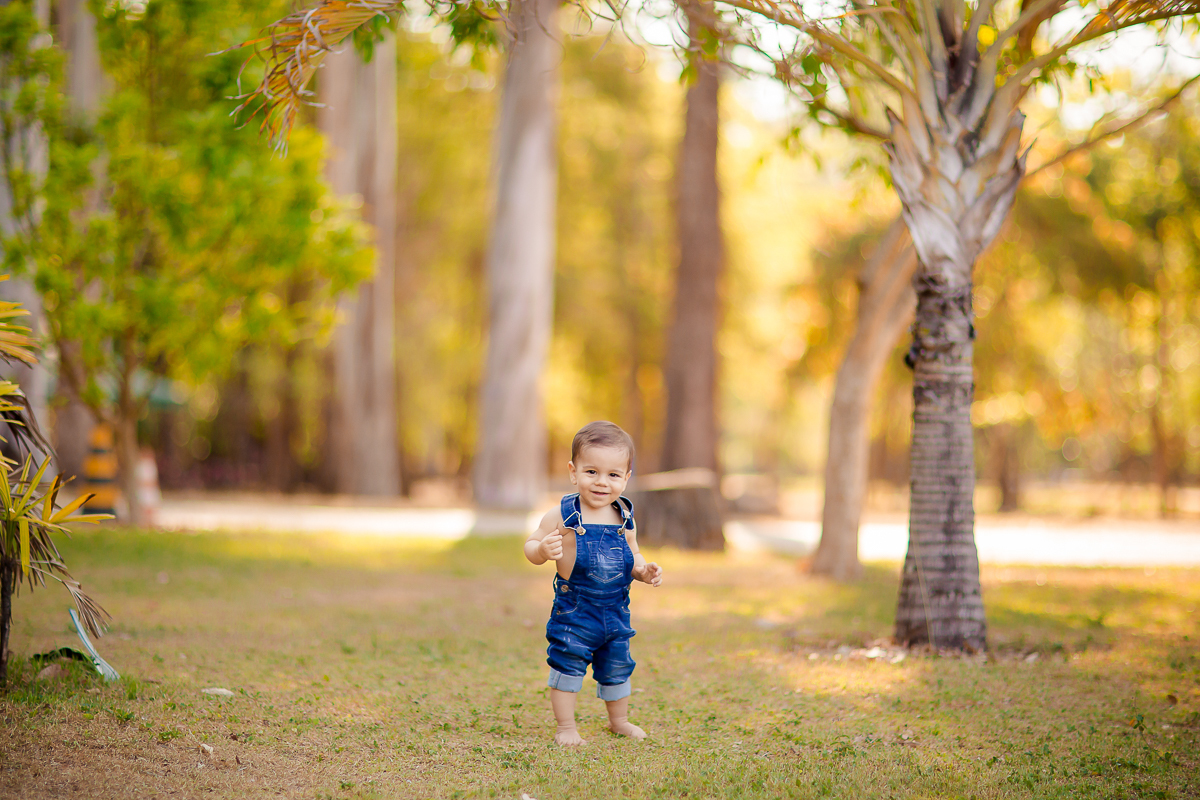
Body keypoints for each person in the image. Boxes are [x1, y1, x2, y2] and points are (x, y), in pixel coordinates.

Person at [524, 421, 664, 746]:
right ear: (574, 472)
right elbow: (531, 545)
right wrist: (542, 551)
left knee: (617, 666)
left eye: (613, 475)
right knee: (568, 663)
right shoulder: (562, 515)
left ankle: (619, 721)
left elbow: (633, 554)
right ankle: (566, 728)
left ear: (626, 478)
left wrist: (644, 572)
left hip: (615, 612)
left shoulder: (624, 517)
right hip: (576, 611)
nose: (602, 482)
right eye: (591, 472)